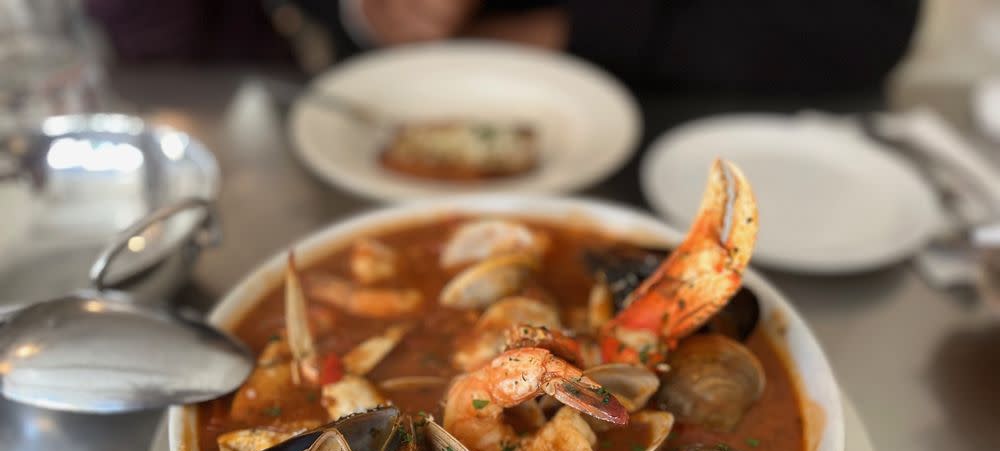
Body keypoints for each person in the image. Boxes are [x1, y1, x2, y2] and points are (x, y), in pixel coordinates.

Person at [87, 0, 922, 93]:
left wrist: (562, 31)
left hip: (694, 121)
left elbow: (870, 28)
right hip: (379, 118)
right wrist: (362, 13)